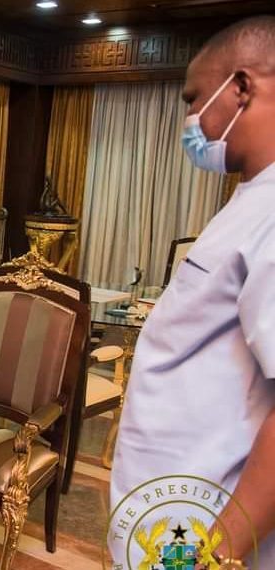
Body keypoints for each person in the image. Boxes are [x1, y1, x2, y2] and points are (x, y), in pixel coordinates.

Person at [109, 15, 275, 568]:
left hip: (206, 533)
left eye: (194, 99)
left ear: (243, 88)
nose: (189, 120)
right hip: (173, 513)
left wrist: (217, 553)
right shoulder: (252, 198)